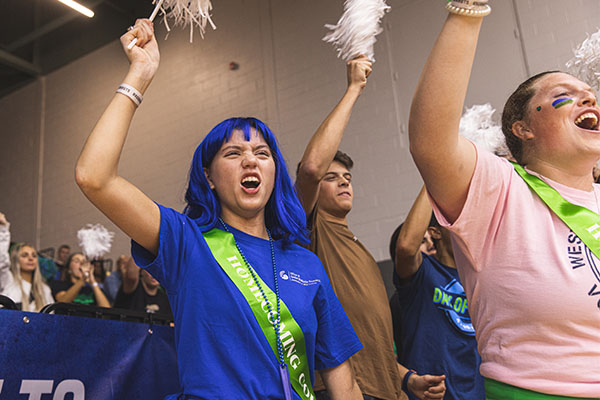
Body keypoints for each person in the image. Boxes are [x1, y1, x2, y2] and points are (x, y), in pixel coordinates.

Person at [75, 18, 364, 400]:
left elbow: (344, 384)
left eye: (262, 153)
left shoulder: (306, 264)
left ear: (274, 172)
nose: (251, 161)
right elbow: (94, 176)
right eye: (234, 153)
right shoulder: (185, 242)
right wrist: (139, 75)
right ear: (208, 177)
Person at [409, 1, 600, 398]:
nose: (588, 101)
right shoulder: (500, 191)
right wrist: (467, 12)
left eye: (591, 96)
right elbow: (431, 142)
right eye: (564, 97)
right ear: (522, 128)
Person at [295, 56, 445, 399]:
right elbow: (311, 168)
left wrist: (407, 380)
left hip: (387, 390)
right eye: (332, 179)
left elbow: (370, 342)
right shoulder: (311, 229)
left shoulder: (357, 247)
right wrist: (354, 88)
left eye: (347, 177)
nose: (344, 183)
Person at [390, 187, 483, 399]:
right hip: (433, 394)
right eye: (455, 221)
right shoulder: (424, 272)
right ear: (436, 232)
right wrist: (433, 176)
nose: (464, 226)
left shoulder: (478, 275)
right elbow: (405, 247)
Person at [0, 213, 54, 312]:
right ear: (16, 260)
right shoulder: (8, 281)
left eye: (34, 255)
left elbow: (51, 319)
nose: (30, 258)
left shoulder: (45, 289)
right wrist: (3, 230)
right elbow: (2, 261)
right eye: (25, 255)